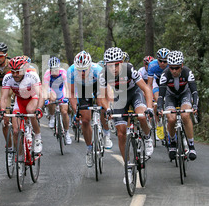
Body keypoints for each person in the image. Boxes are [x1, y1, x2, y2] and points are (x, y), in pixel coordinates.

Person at [98, 47, 154, 176]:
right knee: (121, 133)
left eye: (117, 65)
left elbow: (146, 89)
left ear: (122, 62)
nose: (113, 69)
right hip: (120, 98)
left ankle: (147, 137)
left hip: (135, 94)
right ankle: (128, 167)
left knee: (141, 116)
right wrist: (108, 110)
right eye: (110, 66)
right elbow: (101, 97)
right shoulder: (103, 75)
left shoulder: (129, 69)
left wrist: (150, 108)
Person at [67, 50, 112, 167]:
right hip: (83, 89)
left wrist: (108, 108)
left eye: (84, 70)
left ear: (90, 66)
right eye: (79, 70)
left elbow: (107, 92)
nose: (82, 73)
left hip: (97, 85)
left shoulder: (98, 70)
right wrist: (76, 110)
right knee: (85, 120)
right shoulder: (71, 71)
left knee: (101, 105)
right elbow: (71, 93)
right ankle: (89, 149)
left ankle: (106, 133)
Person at [157, 50, 198, 160]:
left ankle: (191, 145)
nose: (174, 71)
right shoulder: (165, 75)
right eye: (171, 68)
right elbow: (161, 96)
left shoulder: (187, 72)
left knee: (185, 115)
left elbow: (194, 92)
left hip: (185, 94)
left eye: (177, 68)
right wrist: (160, 107)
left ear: (182, 66)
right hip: (170, 97)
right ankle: (172, 143)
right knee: (171, 119)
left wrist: (195, 106)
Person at [0, 56, 43, 154]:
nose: (15, 74)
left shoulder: (32, 76)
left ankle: (37, 137)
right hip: (19, 100)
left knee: (31, 110)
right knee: (16, 131)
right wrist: (2, 110)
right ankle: (19, 159)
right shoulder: (8, 78)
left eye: (18, 71)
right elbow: (4, 97)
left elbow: (41, 95)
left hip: (32, 97)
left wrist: (39, 108)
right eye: (13, 71)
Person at [42, 56, 71, 145]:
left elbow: (67, 86)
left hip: (61, 91)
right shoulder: (47, 74)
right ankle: (52, 116)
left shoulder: (63, 73)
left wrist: (66, 97)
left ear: (59, 67)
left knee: (64, 112)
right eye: (52, 70)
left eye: (56, 69)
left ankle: (67, 132)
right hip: (52, 90)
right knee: (51, 98)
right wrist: (46, 100)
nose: (54, 72)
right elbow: (45, 88)